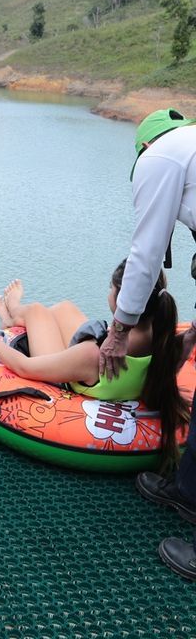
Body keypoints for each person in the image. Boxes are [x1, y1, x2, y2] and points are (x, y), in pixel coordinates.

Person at [96, 108, 196, 580]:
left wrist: (117, 331)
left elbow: (146, 253)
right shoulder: (189, 150)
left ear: (142, 149)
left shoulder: (161, 159)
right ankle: (189, 492)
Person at [0, 260, 188, 471]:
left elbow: (24, 367)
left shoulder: (95, 355)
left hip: (77, 375)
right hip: (109, 378)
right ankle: (16, 315)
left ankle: (13, 314)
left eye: (111, 288)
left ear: (121, 301)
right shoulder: (164, 339)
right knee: (65, 308)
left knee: (37, 311)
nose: (109, 292)